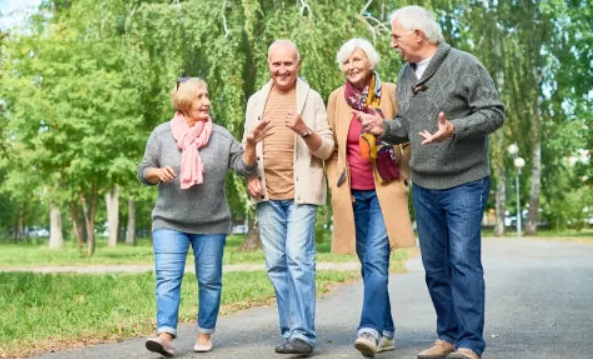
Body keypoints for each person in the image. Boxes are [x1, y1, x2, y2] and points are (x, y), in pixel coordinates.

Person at [354, 6, 505, 359]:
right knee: (435, 266)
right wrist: (384, 129)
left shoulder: (464, 65)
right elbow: (407, 126)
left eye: (396, 36)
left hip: (465, 181)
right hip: (424, 184)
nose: (392, 44)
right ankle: (447, 335)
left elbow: (494, 113)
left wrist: (456, 128)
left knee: (464, 263)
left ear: (418, 35)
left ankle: (470, 342)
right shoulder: (406, 75)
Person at [138, 77, 272, 357]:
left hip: (211, 223)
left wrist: (249, 144)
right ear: (184, 102)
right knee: (167, 278)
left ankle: (204, 332)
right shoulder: (162, 134)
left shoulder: (220, 136)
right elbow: (144, 169)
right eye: (199, 96)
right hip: (169, 221)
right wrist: (157, 173)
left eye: (207, 95)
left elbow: (243, 167)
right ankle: (165, 335)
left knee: (210, 280)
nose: (206, 101)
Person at [244, 40, 334, 356]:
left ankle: (304, 335)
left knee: (298, 258)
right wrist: (250, 177)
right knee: (276, 265)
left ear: (298, 64)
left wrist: (304, 130)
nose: (282, 70)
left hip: (301, 193)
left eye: (288, 64)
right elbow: (247, 153)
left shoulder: (310, 99)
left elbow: (327, 149)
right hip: (268, 195)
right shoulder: (256, 100)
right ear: (269, 64)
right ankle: (290, 332)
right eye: (276, 64)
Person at [325, 38, 415, 357]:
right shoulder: (337, 98)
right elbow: (333, 145)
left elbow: (408, 130)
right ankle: (387, 329)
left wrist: (404, 174)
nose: (352, 66)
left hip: (384, 189)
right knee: (368, 264)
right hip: (352, 193)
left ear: (371, 62)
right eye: (346, 61)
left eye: (357, 59)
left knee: (377, 259)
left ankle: (369, 329)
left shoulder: (389, 91)